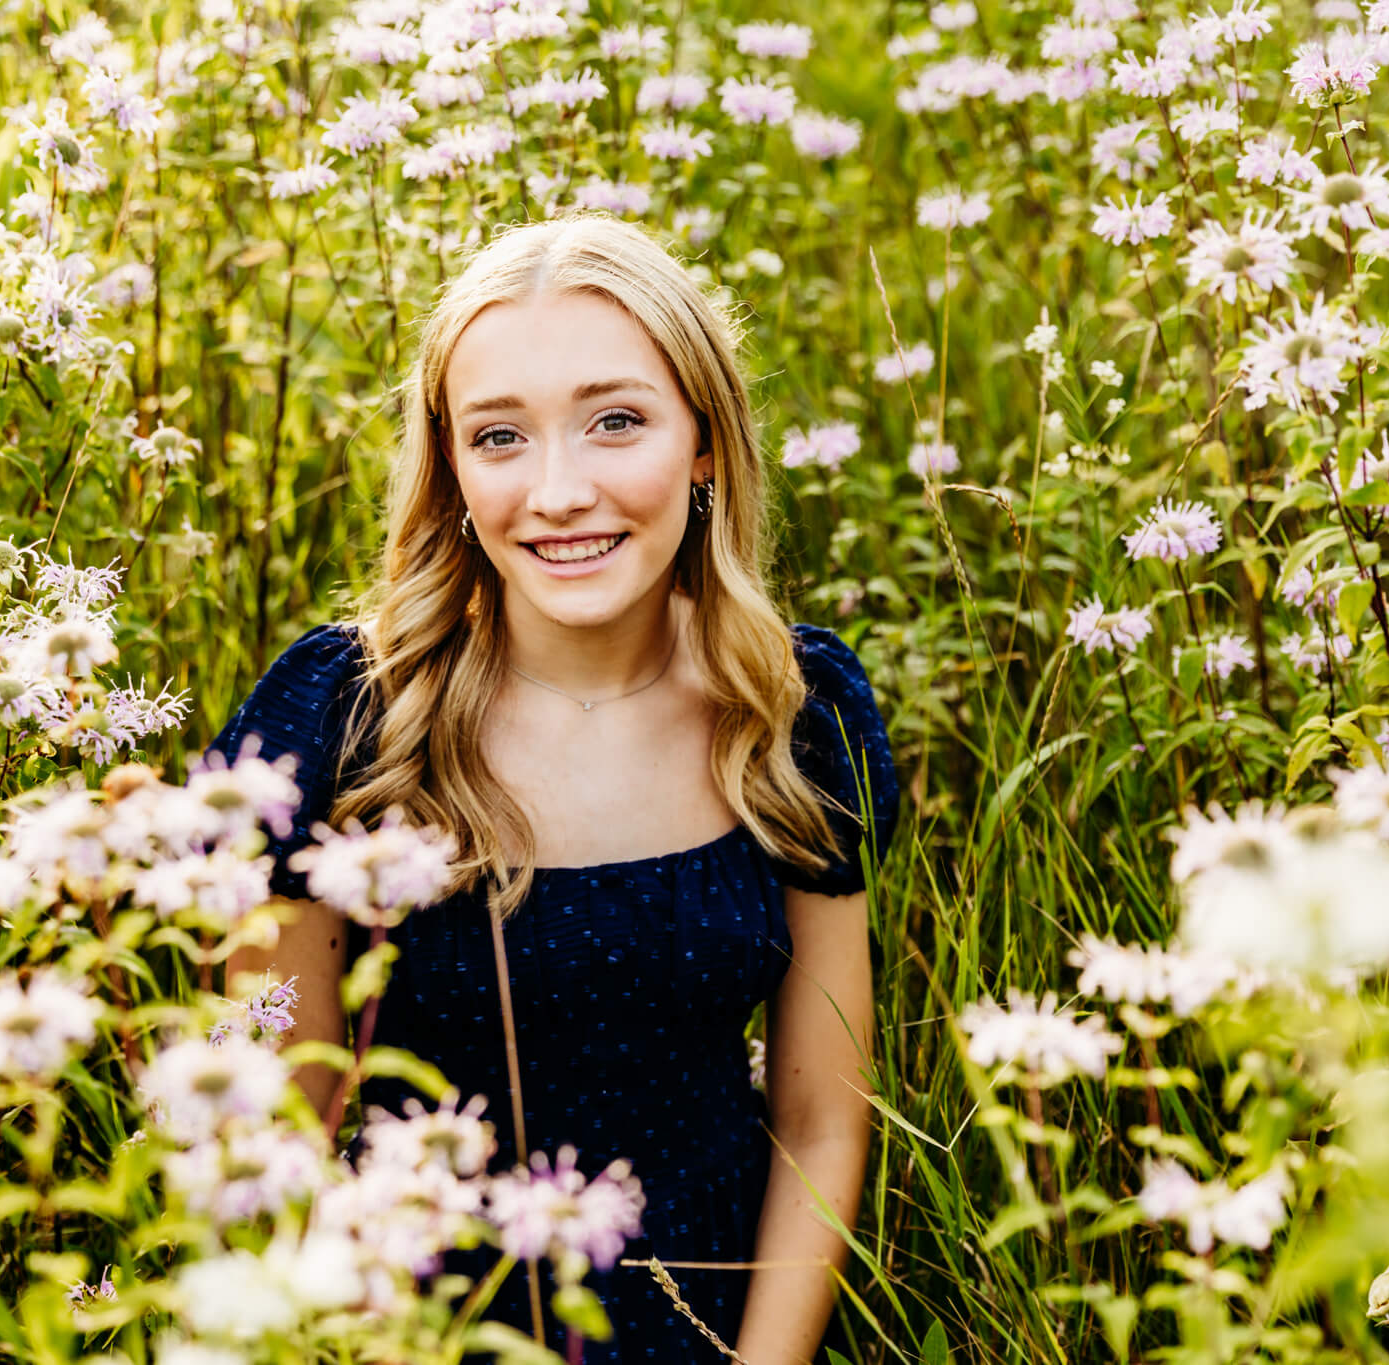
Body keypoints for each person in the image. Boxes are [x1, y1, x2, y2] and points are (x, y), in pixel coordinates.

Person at [207, 212, 902, 1364]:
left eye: (615, 421)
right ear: (448, 465)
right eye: (499, 438)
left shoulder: (793, 712)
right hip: (409, 1333)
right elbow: (277, 1135)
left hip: (723, 1331)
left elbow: (821, 1122)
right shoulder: (339, 721)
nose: (559, 490)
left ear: (705, 443)